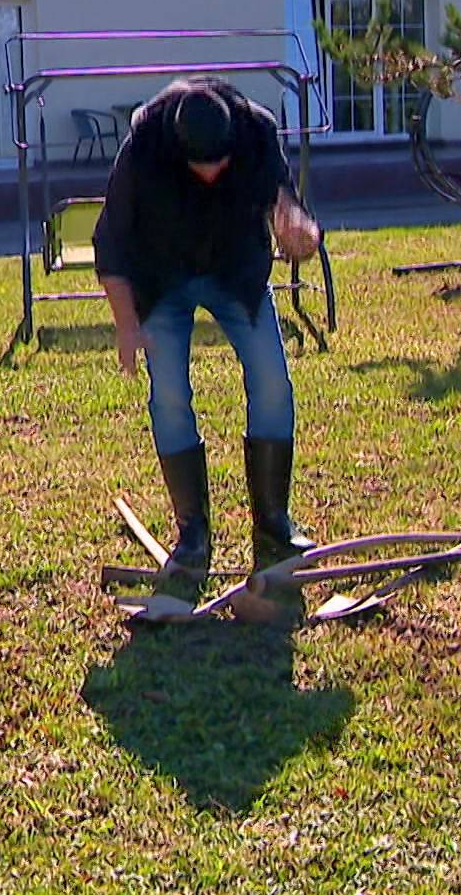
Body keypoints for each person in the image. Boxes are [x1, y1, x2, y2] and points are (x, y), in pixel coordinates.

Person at [93, 76, 324, 580]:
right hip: (163, 278)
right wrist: (127, 325)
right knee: (170, 395)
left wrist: (301, 231)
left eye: (222, 162)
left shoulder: (256, 132)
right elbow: (109, 241)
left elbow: (286, 205)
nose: (215, 173)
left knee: (272, 383)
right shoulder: (145, 145)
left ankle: (273, 525)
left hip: (236, 274)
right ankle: (193, 535)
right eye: (203, 166)